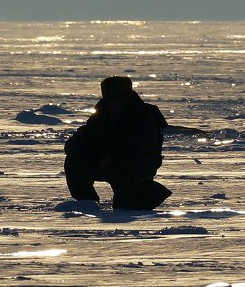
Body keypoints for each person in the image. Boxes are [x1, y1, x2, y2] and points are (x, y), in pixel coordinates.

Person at [64, 75, 172, 210]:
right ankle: (88, 204)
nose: (114, 102)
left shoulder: (143, 116)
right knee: (74, 161)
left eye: (118, 97)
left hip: (136, 165)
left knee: (126, 206)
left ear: (127, 96)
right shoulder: (101, 114)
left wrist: (112, 157)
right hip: (106, 162)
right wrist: (74, 144)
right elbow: (88, 133)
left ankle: (138, 195)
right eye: (109, 98)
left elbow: (140, 145)